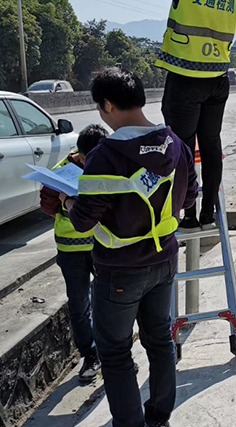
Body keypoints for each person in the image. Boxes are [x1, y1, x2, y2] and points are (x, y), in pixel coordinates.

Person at [60, 68, 199, 427]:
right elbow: (190, 199)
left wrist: (67, 202)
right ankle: (159, 417)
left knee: (116, 353)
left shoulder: (105, 156)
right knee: (160, 341)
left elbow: (84, 221)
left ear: (107, 105)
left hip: (119, 270)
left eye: (100, 108)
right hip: (165, 260)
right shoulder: (176, 143)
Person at [157, 0, 236, 232]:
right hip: (218, 79)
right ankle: (210, 210)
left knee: (181, 147)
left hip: (184, 78)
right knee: (210, 144)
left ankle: (189, 214)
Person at [40, 123, 108, 383]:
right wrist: (62, 201)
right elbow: (46, 207)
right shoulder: (60, 172)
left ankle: (115, 355)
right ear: (79, 153)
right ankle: (90, 356)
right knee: (79, 307)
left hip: (102, 246)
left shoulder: (106, 166)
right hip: (71, 251)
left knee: (110, 304)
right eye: (87, 157)